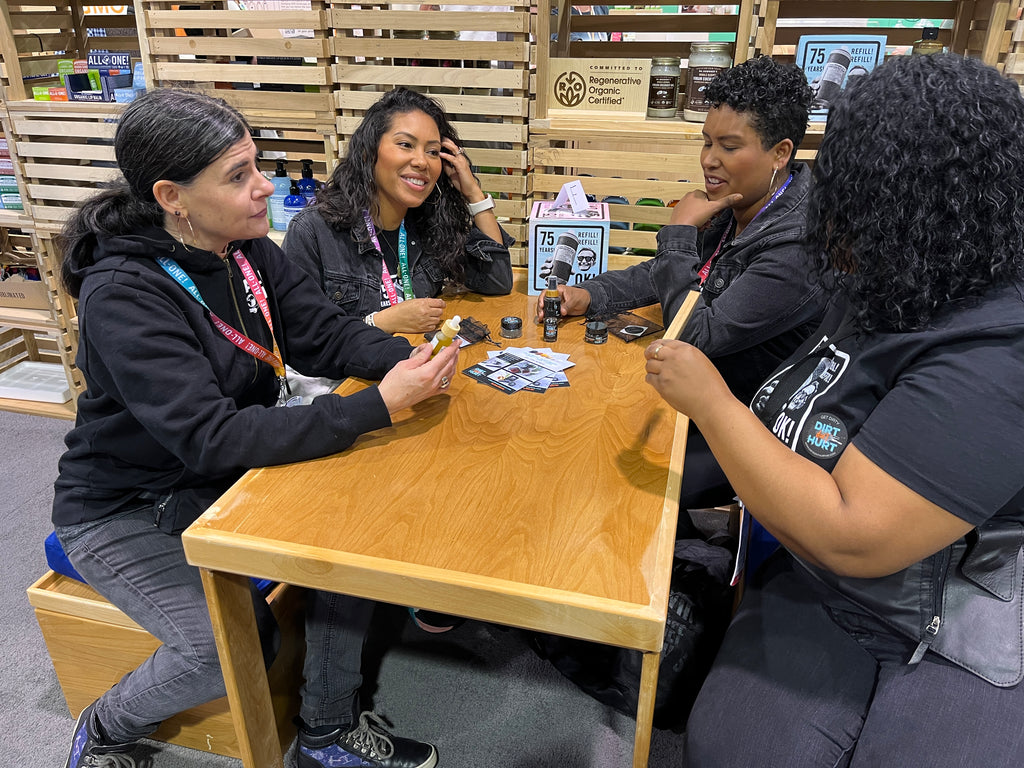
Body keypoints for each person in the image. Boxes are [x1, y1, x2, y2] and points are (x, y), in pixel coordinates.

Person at [53, 88, 457, 768]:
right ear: (171, 196)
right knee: (230, 648)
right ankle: (109, 724)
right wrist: (378, 405)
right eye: (238, 175)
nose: (263, 185)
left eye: (257, 165)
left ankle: (325, 732)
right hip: (126, 509)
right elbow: (211, 436)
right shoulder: (123, 291)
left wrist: (410, 360)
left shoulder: (246, 251)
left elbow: (323, 335)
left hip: (215, 477)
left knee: (356, 528)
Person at [645, 53, 1024, 766]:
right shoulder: (880, 275)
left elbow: (858, 534)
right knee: (729, 745)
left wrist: (713, 403)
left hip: (954, 614)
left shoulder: (999, 342)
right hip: (812, 572)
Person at [537, 55, 825, 511]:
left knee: (604, 477)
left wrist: (679, 233)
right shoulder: (743, 202)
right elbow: (668, 275)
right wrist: (591, 294)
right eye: (707, 141)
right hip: (692, 403)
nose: (709, 160)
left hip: (748, 432)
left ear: (781, 152)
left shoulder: (799, 245)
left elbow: (693, 338)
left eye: (729, 146)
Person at [282, 87, 514, 335]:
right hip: (347, 374)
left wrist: (473, 194)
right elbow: (300, 336)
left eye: (433, 151)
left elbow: (497, 281)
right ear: (368, 153)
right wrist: (378, 322)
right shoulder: (313, 231)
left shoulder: (431, 225)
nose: (422, 161)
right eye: (406, 144)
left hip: (413, 365)